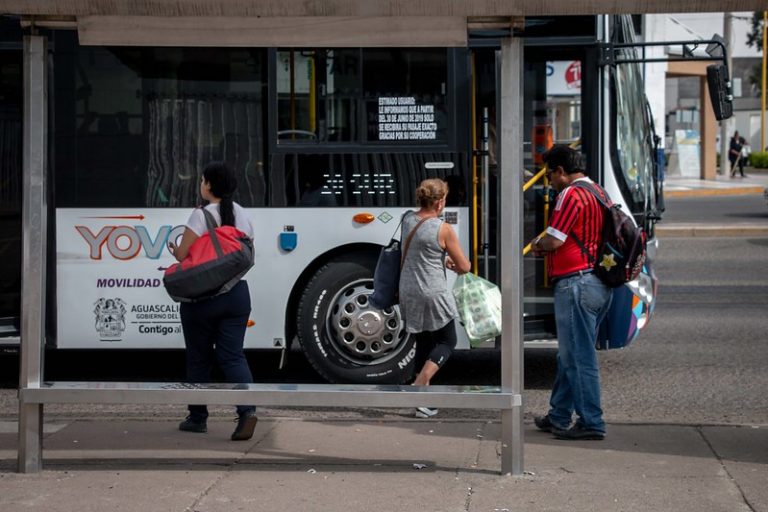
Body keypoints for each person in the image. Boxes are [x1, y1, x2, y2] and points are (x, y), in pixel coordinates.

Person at [168, 161, 258, 441]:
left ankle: (197, 418)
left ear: (208, 185)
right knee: (233, 355)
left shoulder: (201, 215)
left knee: (199, 358)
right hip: (237, 295)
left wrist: (175, 250)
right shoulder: (243, 215)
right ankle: (247, 412)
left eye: (202, 180)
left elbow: (184, 256)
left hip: (202, 299)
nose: (200, 184)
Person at [529, 145, 612, 440]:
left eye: (549, 174)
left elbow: (554, 240)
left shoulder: (570, 195)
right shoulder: (598, 192)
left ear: (561, 172)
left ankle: (591, 422)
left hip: (575, 282)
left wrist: (536, 245)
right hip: (597, 282)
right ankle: (559, 415)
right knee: (569, 355)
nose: (548, 180)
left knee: (579, 358)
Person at [398, 178, 471, 418]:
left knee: (422, 342)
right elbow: (464, 266)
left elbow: (421, 251)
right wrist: (455, 263)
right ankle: (420, 382)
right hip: (432, 292)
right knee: (447, 341)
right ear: (440, 202)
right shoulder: (443, 229)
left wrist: (441, 259)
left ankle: (423, 403)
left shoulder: (407, 219)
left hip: (408, 290)